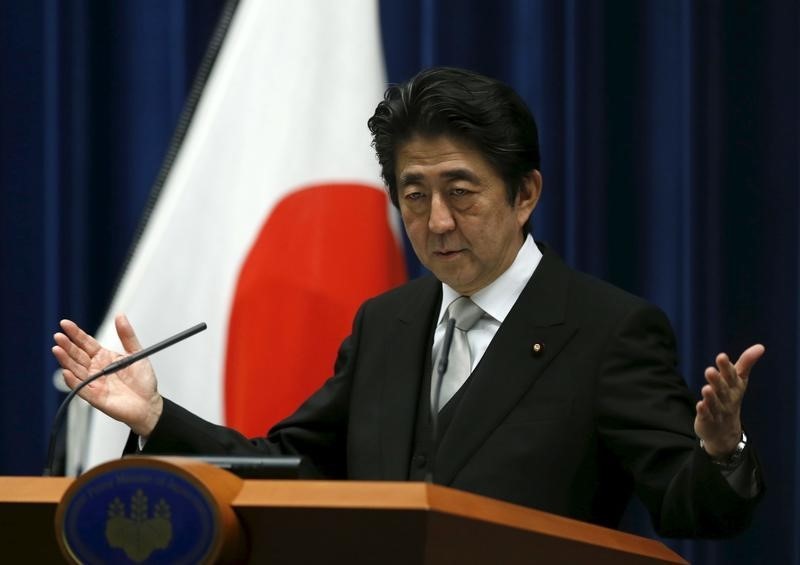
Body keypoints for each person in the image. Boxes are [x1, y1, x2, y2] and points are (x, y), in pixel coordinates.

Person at [52, 67, 764, 537]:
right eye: (415, 196)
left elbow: (686, 501)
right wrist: (156, 415)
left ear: (525, 195)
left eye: (461, 191)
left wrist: (719, 448)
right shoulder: (386, 323)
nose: (438, 220)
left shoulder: (608, 331)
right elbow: (292, 471)